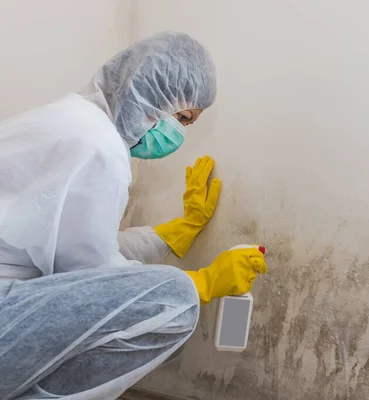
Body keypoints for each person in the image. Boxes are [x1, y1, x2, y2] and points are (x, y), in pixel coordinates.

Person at [0, 32, 267, 399]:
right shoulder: (100, 146)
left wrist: (175, 232)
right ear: (149, 91)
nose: (179, 134)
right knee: (173, 301)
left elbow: (77, 252)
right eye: (183, 118)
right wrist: (202, 284)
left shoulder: (74, 120)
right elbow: (94, 280)